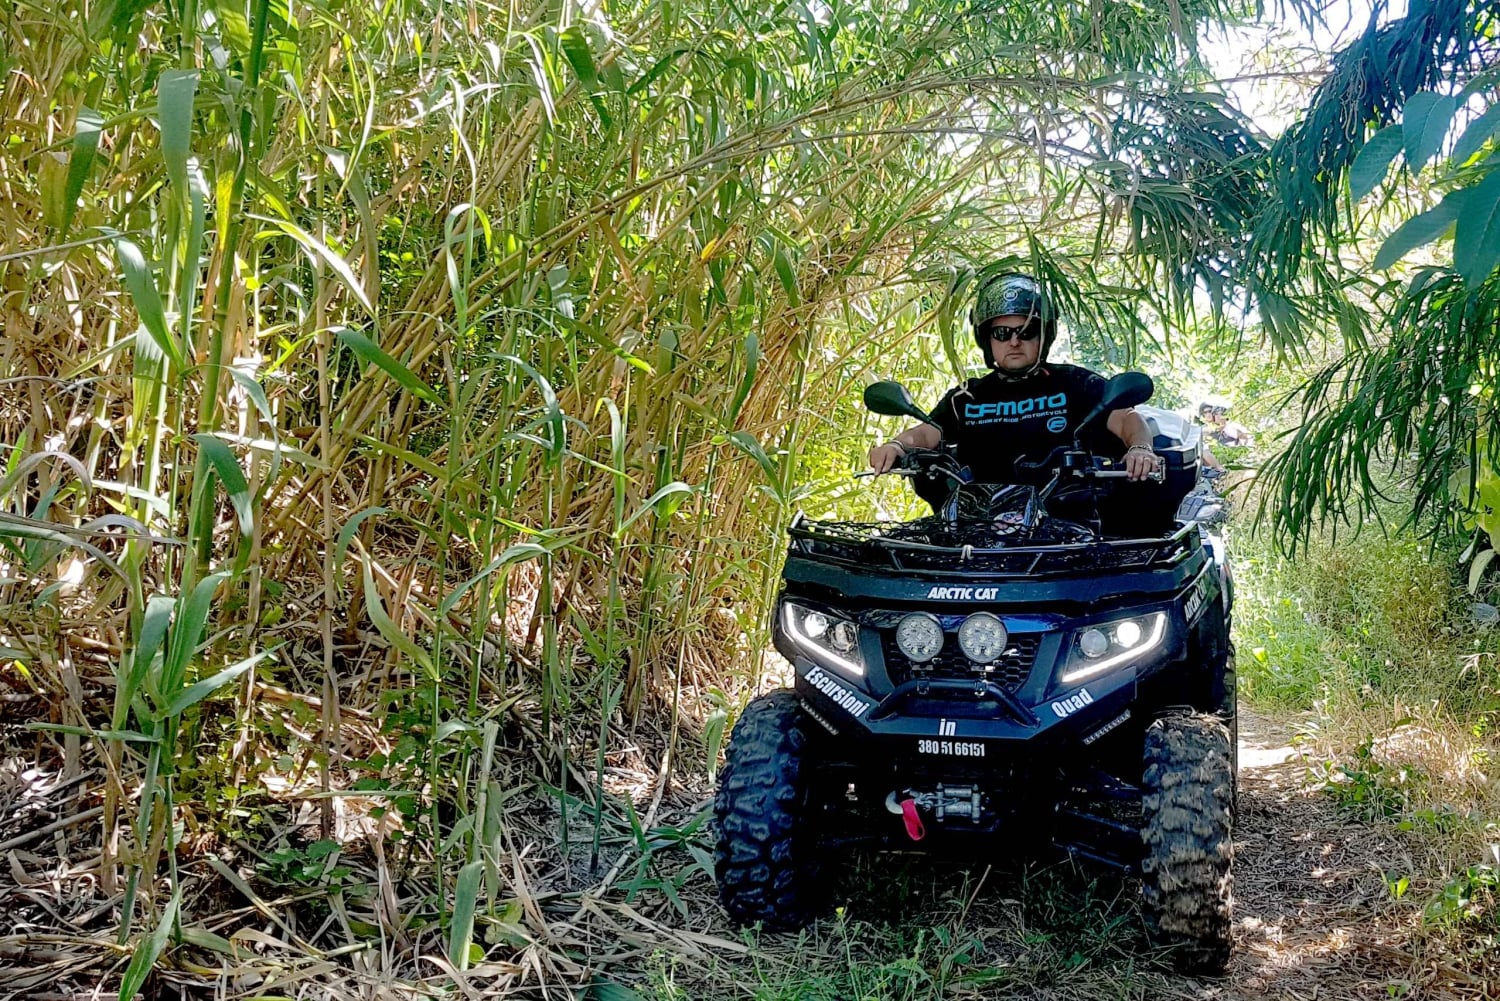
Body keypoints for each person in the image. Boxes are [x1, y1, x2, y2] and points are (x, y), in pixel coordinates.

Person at [867, 272, 1163, 488]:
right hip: (975, 527)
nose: (1014, 341)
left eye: (1027, 330)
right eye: (1002, 333)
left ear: (1044, 335)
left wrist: (1140, 448)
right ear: (987, 340)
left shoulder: (1075, 383)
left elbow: (1126, 418)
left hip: (1068, 525)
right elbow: (926, 434)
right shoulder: (968, 396)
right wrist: (895, 446)